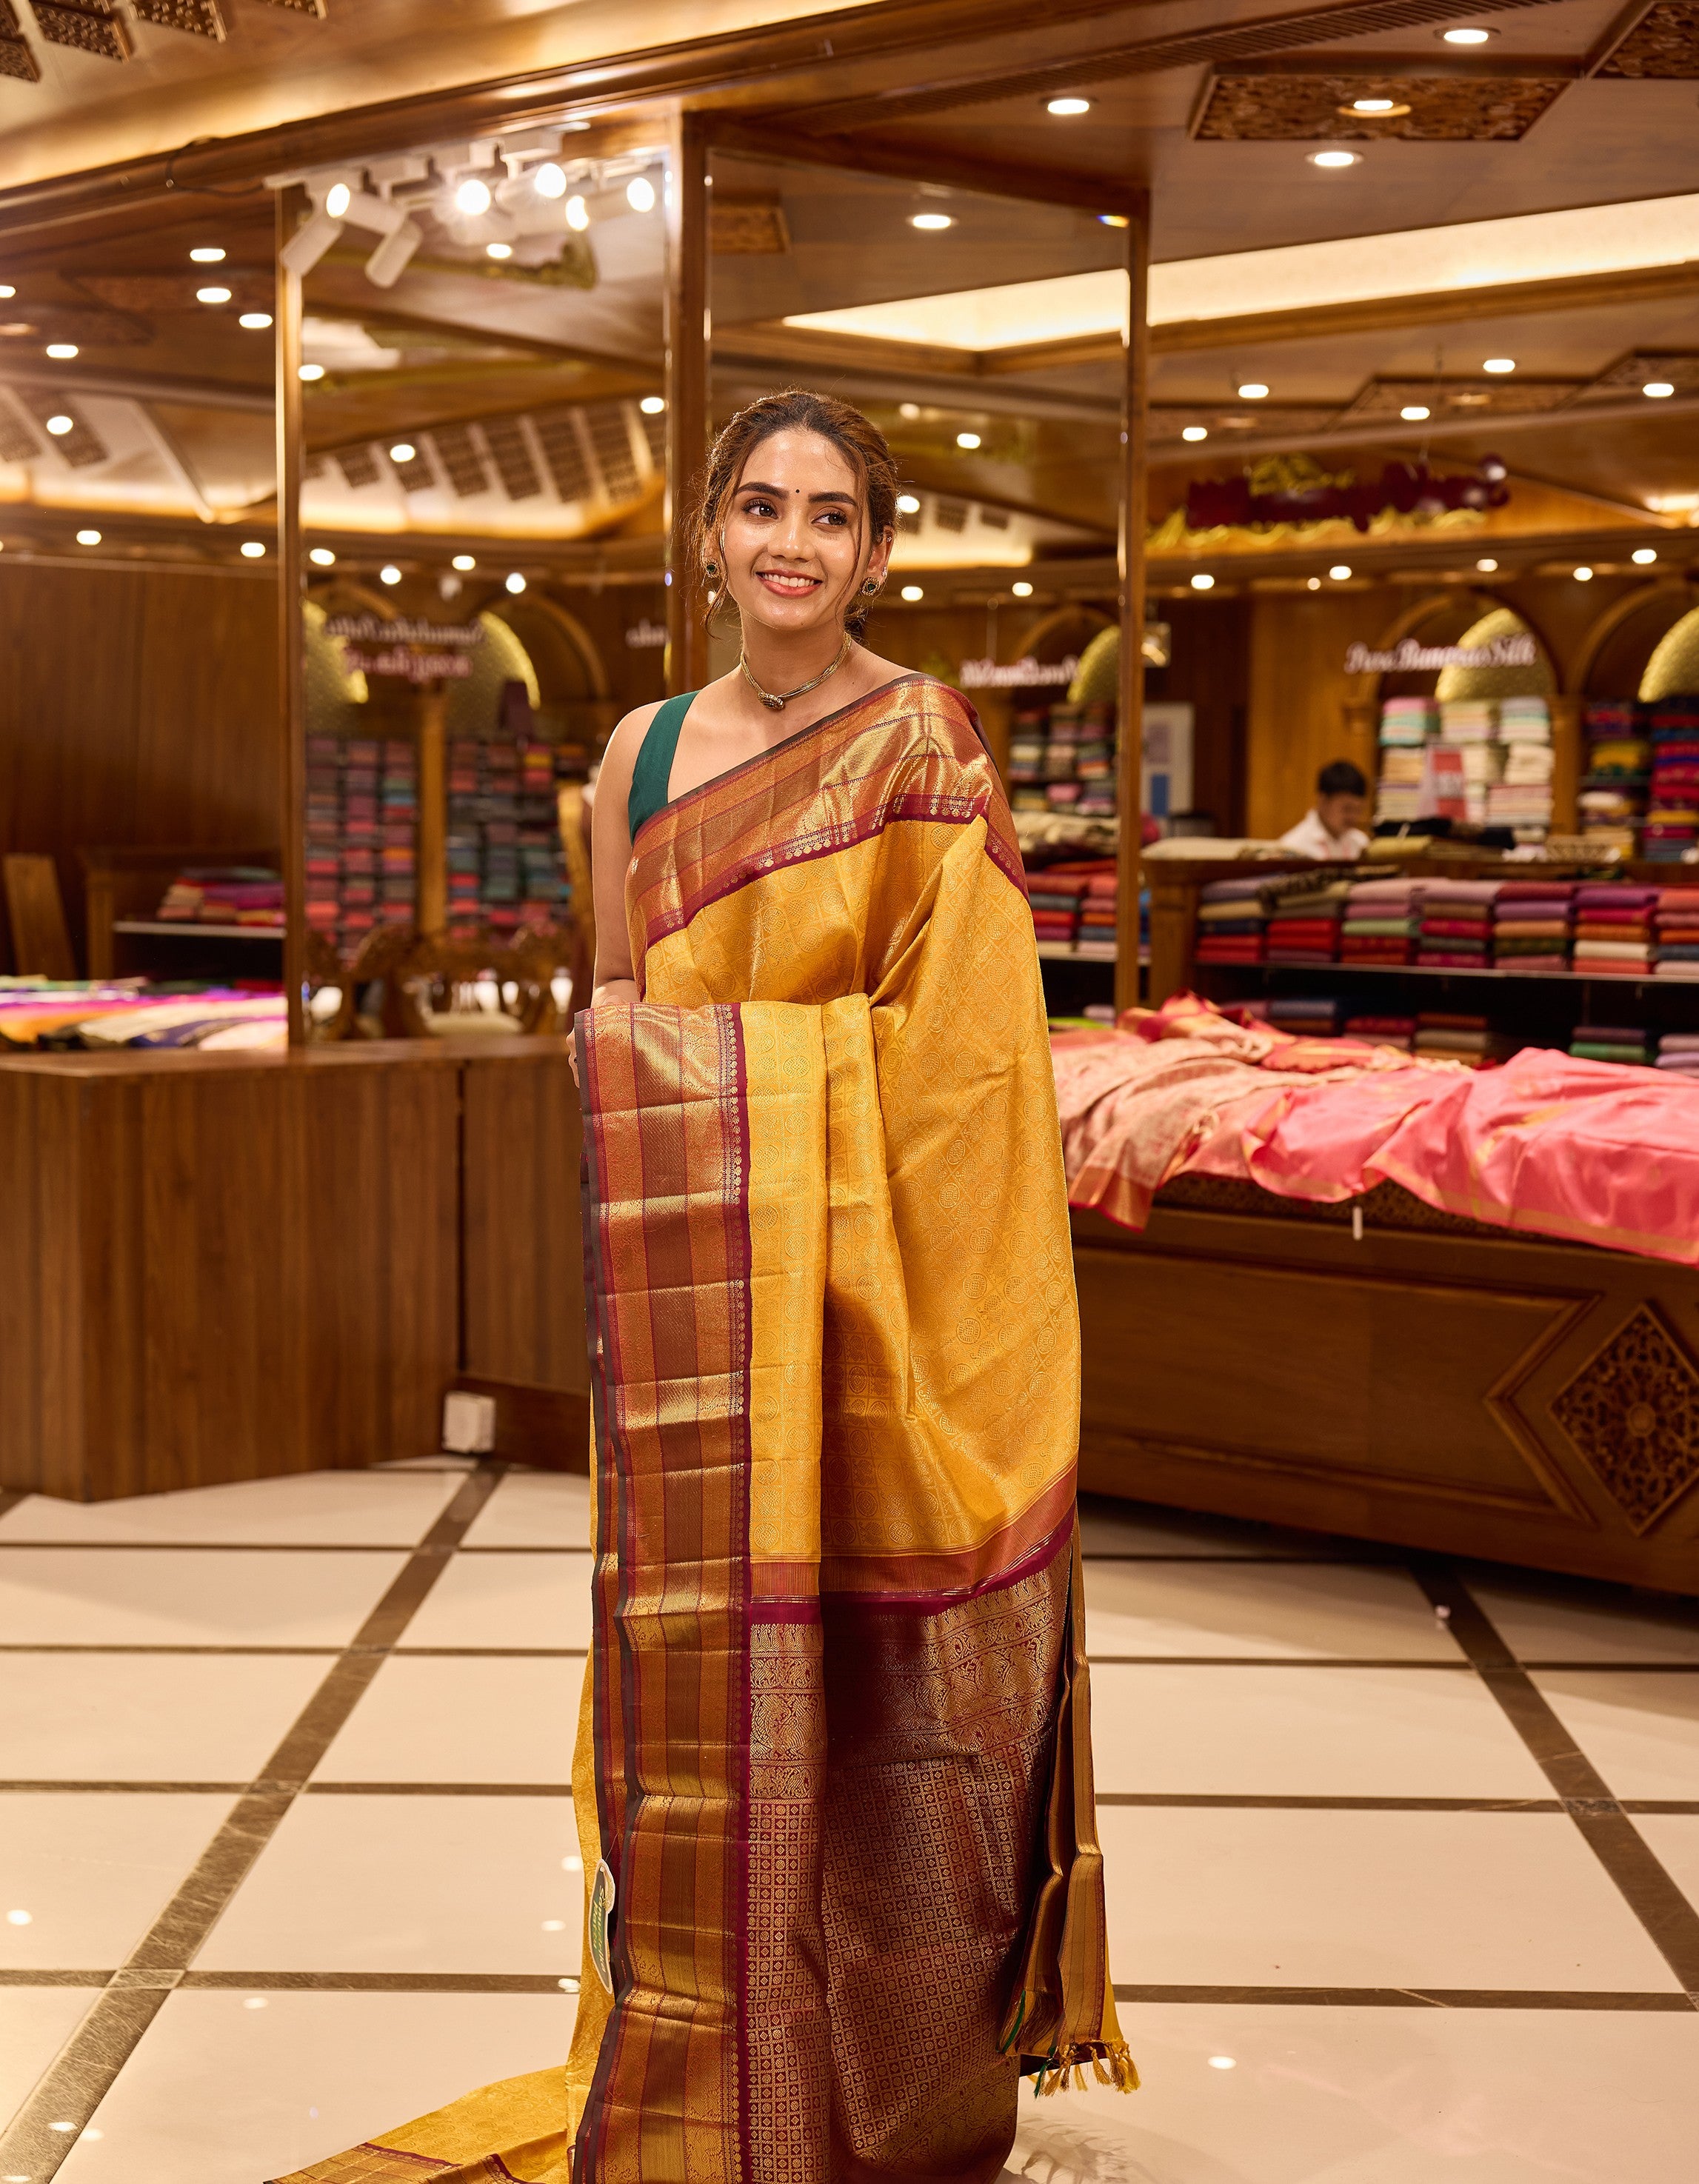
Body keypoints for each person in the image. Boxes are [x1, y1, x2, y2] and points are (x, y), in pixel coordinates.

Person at [270, 389, 1130, 2184]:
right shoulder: (643, 754)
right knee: (694, 1691)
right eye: (759, 506)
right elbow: (613, 1004)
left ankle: (887, 2100)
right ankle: (693, 2076)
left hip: (887, 1315)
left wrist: (754, 1101)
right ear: (709, 537)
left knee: (889, 1703)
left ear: (873, 551)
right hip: (704, 1316)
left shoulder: (924, 745)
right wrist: (691, 1105)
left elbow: (970, 1063)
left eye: (829, 514)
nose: (790, 541)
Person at [1278, 758, 1370, 858]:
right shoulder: (1293, 847)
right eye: (1347, 808)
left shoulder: (1361, 843)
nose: (1353, 817)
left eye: (1359, 810)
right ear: (1323, 800)